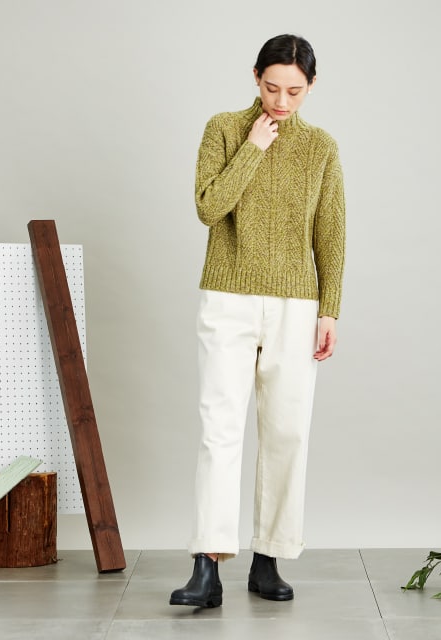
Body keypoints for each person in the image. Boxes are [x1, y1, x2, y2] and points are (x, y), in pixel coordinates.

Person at [170, 33, 346, 608]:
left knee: (287, 432)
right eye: (272, 88)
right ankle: (207, 565)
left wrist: (329, 308)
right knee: (218, 427)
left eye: (294, 91)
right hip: (228, 297)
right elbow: (208, 207)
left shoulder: (320, 147)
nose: (281, 101)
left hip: (297, 305)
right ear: (255, 77)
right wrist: (253, 147)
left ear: (311, 86)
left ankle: (268, 559)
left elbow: (330, 232)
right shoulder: (224, 128)